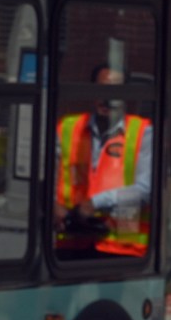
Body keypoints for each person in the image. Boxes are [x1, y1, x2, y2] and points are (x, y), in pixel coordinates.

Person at [55, 64, 153, 256]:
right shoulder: (68, 127)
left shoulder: (143, 132)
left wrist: (95, 203)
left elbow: (145, 189)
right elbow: (47, 174)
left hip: (122, 243)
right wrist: (51, 204)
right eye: (102, 90)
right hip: (72, 239)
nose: (107, 98)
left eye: (114, 91)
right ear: (92, 91)